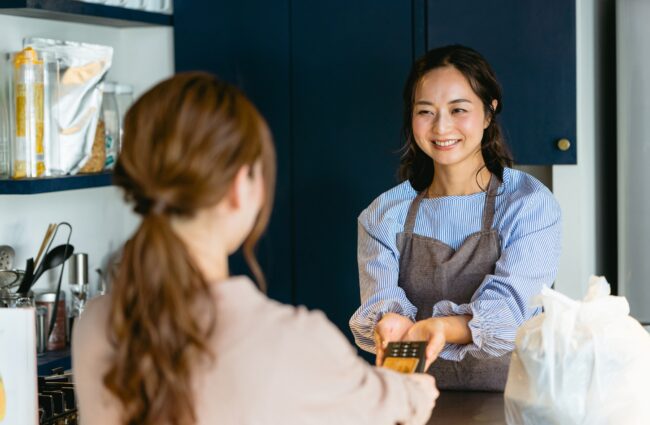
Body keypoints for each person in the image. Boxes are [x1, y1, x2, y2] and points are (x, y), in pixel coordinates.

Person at [72, 73, 438, 425]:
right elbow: (404, 405)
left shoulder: (96, 323)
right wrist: (413, 390)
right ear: (238, 186)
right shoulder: (293, 342)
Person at [349, 45, 562, 391]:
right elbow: (381, 300)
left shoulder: (529, 205)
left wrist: (440, 328)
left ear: (489, 113)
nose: (441, 126)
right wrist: (388, 322)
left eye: (458, 109)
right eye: (426, 112)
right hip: (416, 402)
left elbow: (513, 312)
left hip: (513, 403)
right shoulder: (383, 216)